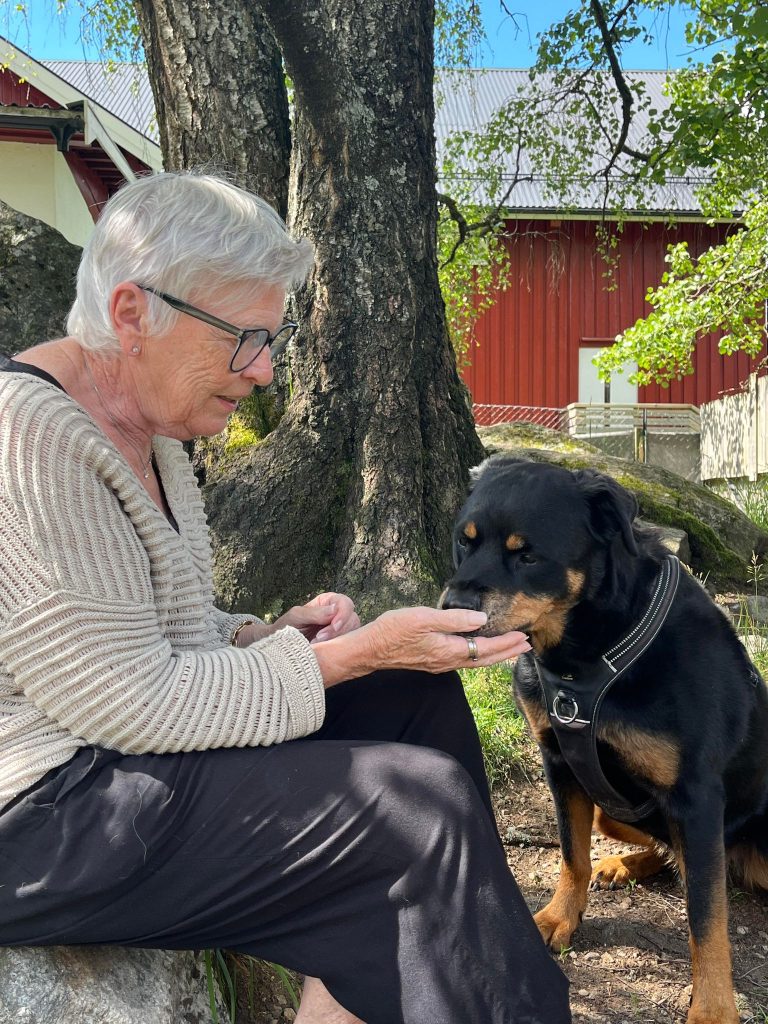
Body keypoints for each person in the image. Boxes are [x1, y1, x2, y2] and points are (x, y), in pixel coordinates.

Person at [0, 171, 571, 1024]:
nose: (264, 372)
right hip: (43, 818)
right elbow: (128, 701)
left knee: (411, 699)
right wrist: (348, 653)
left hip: (113, 766)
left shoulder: (148, 434)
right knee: (415, 811)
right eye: (245, 340)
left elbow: (145, 631)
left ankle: (446, 981)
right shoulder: (30, 439)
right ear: (131, 314)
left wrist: (264, 635)